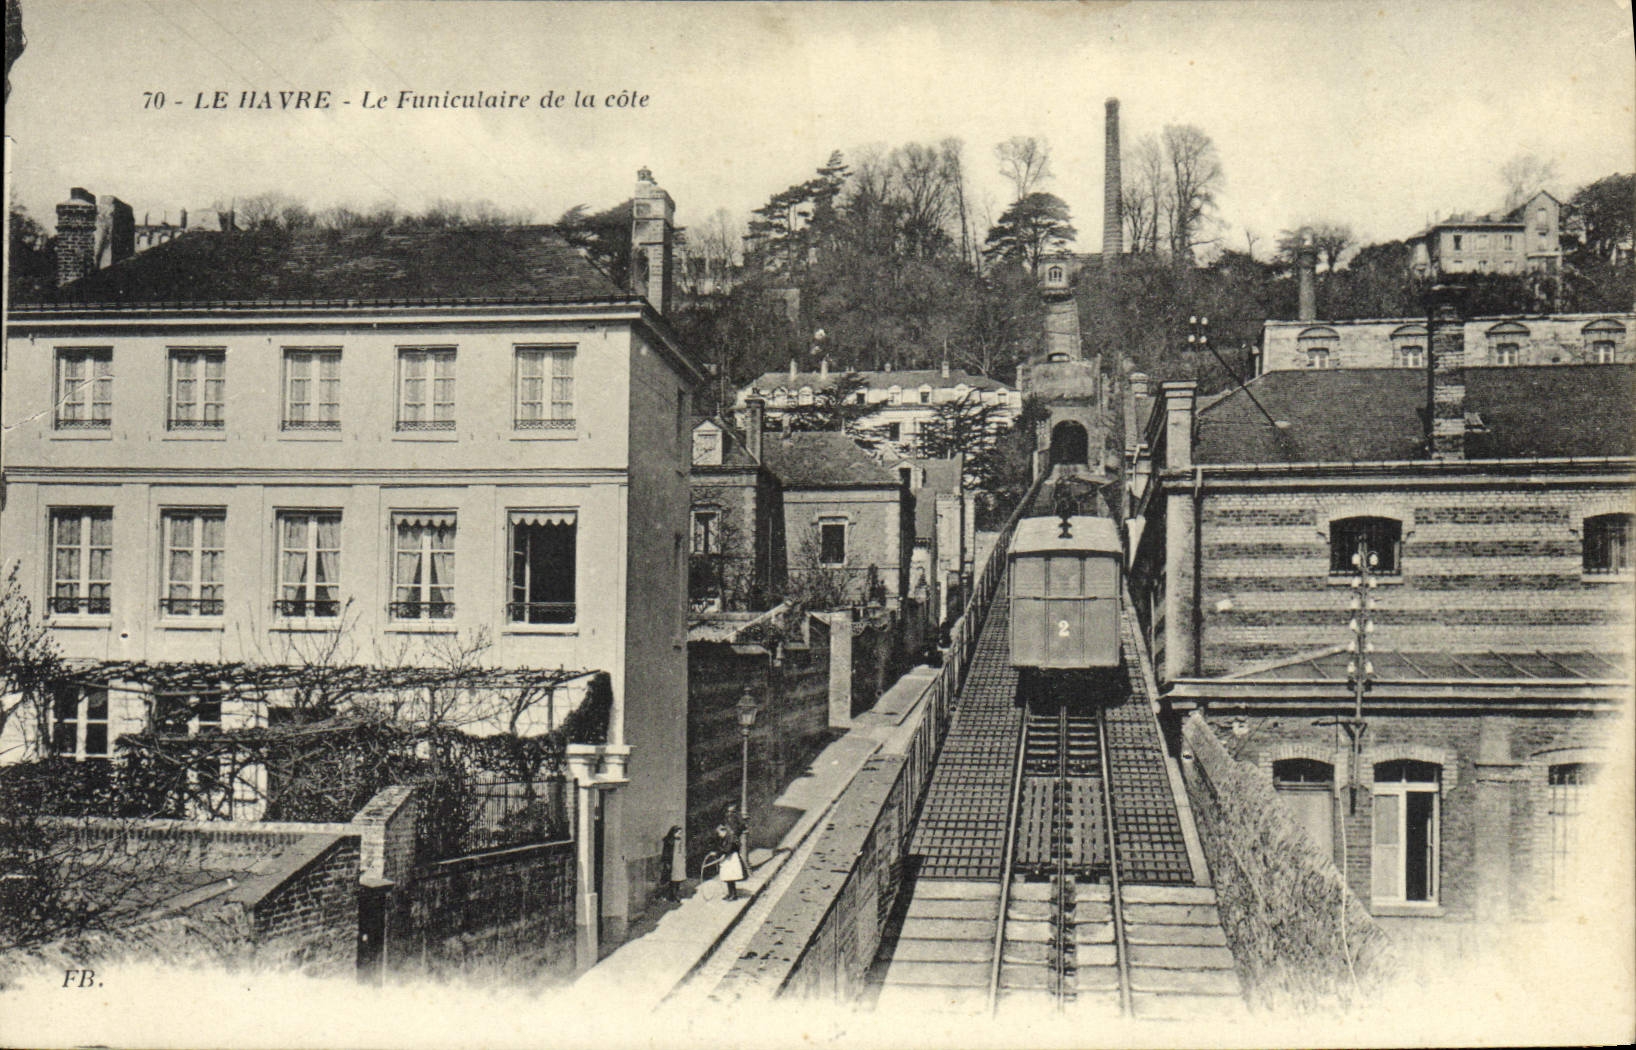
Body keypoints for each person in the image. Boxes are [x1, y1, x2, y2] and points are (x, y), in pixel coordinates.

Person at [714, 819, 746, 900]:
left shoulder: (730, 837)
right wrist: (717, 853)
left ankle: (733, 895)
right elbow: (722, 848)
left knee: (731, 877)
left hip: (731, 859)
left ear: (723, 831)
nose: (719, 835)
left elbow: (728, 848)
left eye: (719, 833)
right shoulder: (725, 837)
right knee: (727, 877)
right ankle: (730, 894)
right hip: (727, 858)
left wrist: (722, 855)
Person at [660, 826, 686, 902]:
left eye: (680, 833)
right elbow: (665, 853)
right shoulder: (668, 841)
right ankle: (673, 896)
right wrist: (667, 863)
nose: (680, 834)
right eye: (678, 833)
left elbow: (681, 850)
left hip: (679, 862)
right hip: (672, 862)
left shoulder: (679, 840)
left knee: (678, 879)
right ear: (674, 832)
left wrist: (683, 858)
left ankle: (675, 894)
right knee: (673, 879)